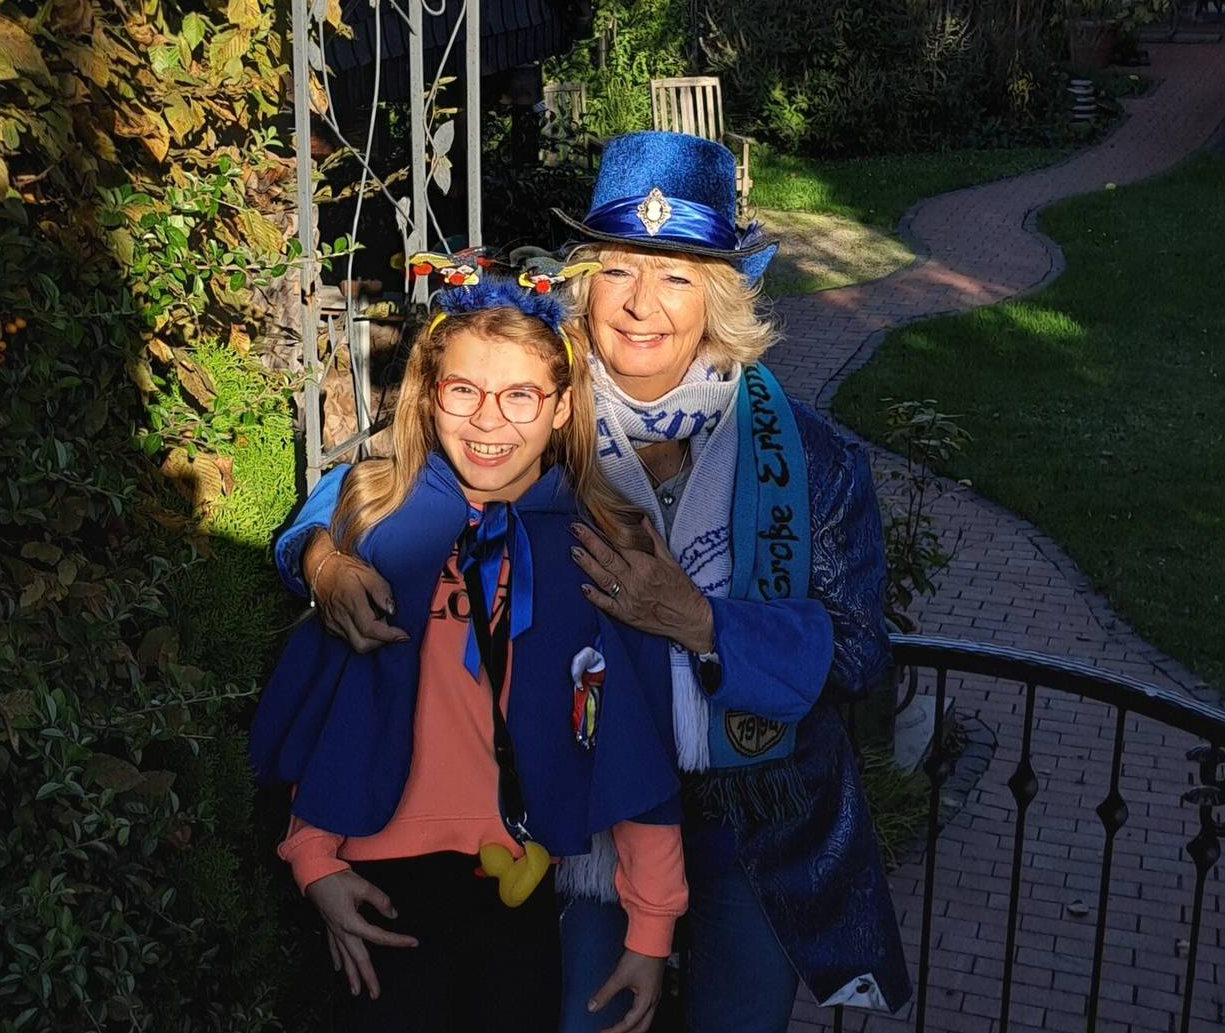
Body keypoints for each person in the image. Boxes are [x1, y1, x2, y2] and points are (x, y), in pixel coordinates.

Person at [278, 134, 912, 1032]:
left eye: (679, 276)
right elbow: (376, 483)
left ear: (720, 299)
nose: (642, 303)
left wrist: (702, 624)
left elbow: (858, 655)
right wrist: (320, 558)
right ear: (584, 282)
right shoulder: (535, 409)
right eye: (620, 269)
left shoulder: (812, 459)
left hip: (752, 819)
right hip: (581, 815)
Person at [249, 268, 688, 1033]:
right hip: (378, 877)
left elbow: (631, 740)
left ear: (559, 409)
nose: (490, 419)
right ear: (427, 394)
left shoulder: (599, 544)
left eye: (520, 394)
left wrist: (651, 928)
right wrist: (313, 861)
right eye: (464, 391)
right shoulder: (379, 519)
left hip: (517, 889)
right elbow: (339, 704)